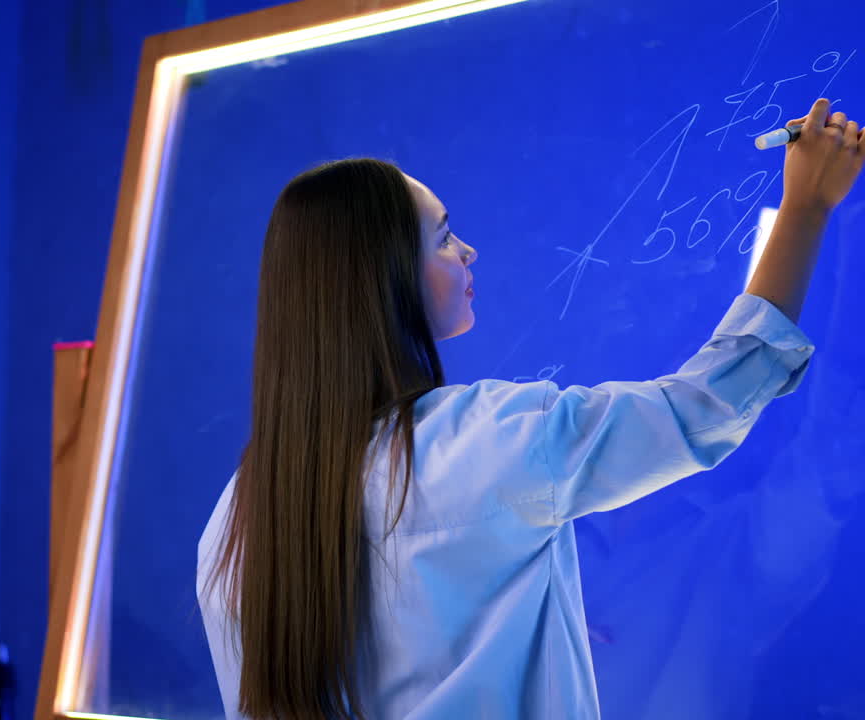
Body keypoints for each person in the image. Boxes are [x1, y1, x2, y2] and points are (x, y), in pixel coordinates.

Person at [196, 98, 865, 719]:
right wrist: (805, 209)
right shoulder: (491, 442)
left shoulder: (235, 523)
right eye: (443, 236)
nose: (468, 251)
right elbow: (707, 402)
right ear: (383, 277)